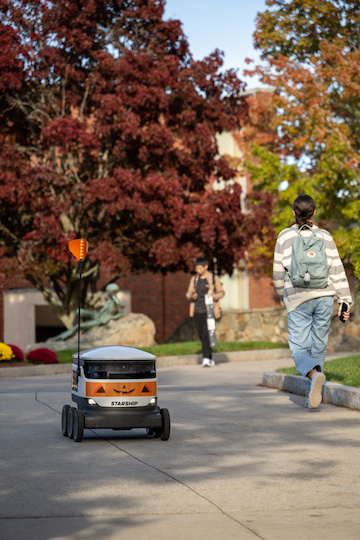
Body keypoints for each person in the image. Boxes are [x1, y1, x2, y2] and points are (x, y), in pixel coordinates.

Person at [273, 194, 352, 408]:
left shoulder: (284, 237)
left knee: (299, 348)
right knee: (318, 348)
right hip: (325, 298)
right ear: (314, 212)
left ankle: (313, 376)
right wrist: (345, 299)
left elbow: (278, 275)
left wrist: (285, 297)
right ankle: (313, 396)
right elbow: (336, 270)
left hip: (298, 298)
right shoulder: (325, 237)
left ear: (293, 212)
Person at [186, 257, 225, 367]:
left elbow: (221, 292)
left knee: (206, 333)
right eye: (196, 268)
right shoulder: (194, 279)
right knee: (201, 334)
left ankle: (206, 359)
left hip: (209, 310)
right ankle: (210, 358)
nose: (197, 270)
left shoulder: (213, 278)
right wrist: (191, 296)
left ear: (205, 267)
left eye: (199, 268)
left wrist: (213, 296)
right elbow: (188, 293)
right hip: (197, 310)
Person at [50, 283, 123, 341]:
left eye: (108, 291)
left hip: (100, 320)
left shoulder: (116, 302)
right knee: (79, 311)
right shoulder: (109, 301)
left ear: (111, 291)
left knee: (79, 326)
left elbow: (120, 314)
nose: (106, 292)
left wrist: (111, 318)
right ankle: (72, 325)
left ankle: (60, 338)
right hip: (97, 315)